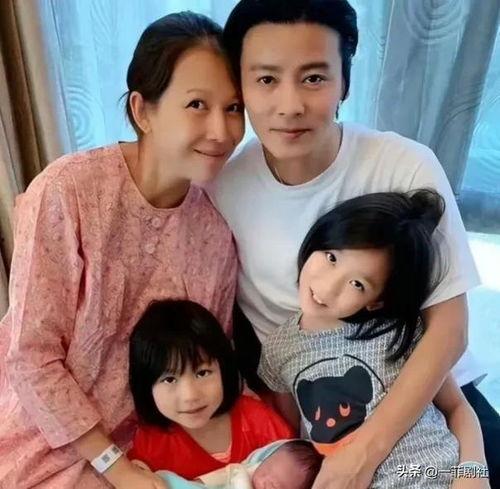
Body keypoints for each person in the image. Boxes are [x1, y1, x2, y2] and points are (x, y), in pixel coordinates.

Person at [208, 0, 500, 485]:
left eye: (313, 78)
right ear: (239, 86)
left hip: (430, 395)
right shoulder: (221, 190)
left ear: (345, 82)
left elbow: (449, 330)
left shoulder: (404, 164)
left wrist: (366, 452)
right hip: (318, 415)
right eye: (266, 79)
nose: (290, 105)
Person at [0, 12, 244, 488]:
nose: (221, 130)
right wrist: (115, 466)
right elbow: (31, 356)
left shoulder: (215, 233)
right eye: (197, 104)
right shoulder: (68, 191)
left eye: (233, 108)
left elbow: (209, 361)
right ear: (142, 111)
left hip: (150, 455)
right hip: (36, 442)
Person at [259, 190, 489, 488]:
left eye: (357, 284)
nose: (328, 287)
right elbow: (293, 440)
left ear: (376, 301)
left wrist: (473, 476)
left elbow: (458, 409)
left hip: (435, 475)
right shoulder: (279, 349)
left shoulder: (399, 333)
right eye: (331, 257)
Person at [128, 299, 295, 480]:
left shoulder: (259, 423)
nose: (190, 396)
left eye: (202, 373)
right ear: (145, 385)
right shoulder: (150, 447)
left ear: (224, 368)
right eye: (169, 379)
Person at [157, 439, 323, 489]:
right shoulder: (243, 471)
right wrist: (200, 482)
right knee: (166, 480)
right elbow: (222, 475)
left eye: (276, 487)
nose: (264, 482)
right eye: (266, 470)